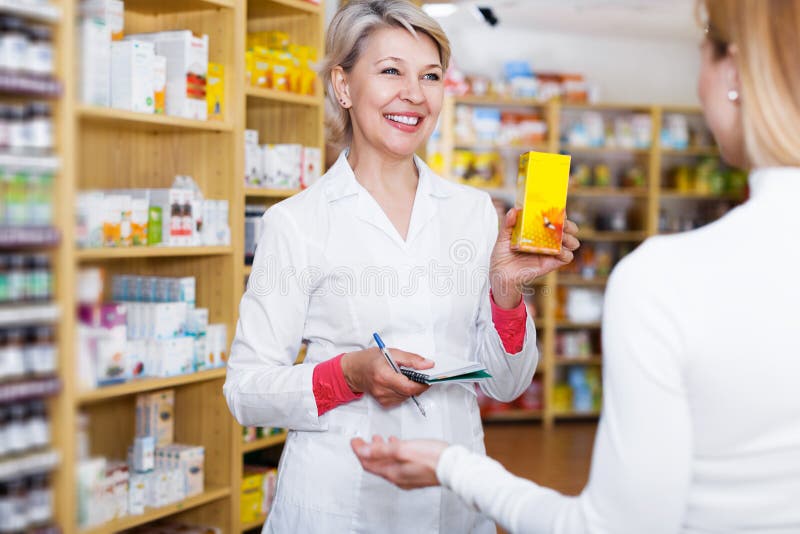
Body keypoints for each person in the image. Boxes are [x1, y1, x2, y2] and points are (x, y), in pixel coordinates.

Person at [352, 1, 800, 532]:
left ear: (732, 72)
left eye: (701, 48)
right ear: (344, 85)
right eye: (390, 71)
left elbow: (614, 526)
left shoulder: (664, 279)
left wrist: (451, 465)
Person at [223, 1, 579, 532]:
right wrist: (349, 374)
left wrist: (506, 291)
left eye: (430, 76)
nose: (414, 93)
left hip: (453, 498)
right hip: (339, 502)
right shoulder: (296, 223)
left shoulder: (474, 213)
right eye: (391, 70)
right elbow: (246, 391)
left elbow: (506, 385)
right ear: (343, 87)